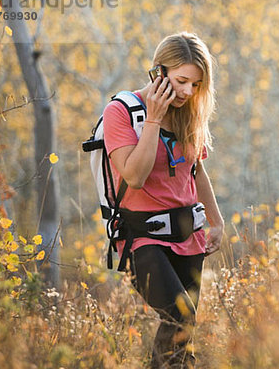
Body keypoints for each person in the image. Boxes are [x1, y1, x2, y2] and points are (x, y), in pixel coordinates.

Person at [102, 32, 224, 368]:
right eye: (182, 80)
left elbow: (195, 171)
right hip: (141, 240)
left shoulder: (188, 114)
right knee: (180, 316)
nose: (188, 91)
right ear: (159, 72)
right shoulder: (121, 112)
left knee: (180, 335)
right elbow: (134, 177)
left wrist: (217, 221)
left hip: (189, 237)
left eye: (196, 85)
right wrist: (154, 118)